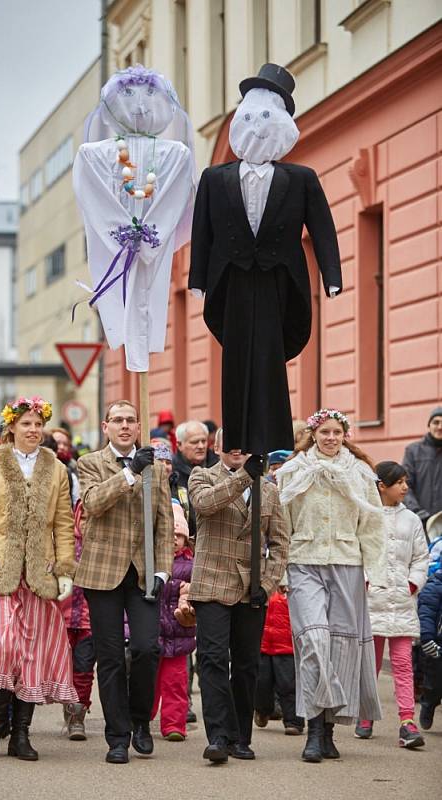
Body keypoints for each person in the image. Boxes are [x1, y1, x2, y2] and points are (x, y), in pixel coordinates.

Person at [189, 65, 342, 456]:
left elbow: (322, 228)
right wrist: (198, 279)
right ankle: (237, 439)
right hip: (233, 279)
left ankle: (275, 441)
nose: (257, 128)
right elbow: (201, 231)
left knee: (272, 356)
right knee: (236, 356)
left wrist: (331, 276)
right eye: (251, 119)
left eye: (266, 120)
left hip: (279, 278)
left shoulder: (302, 177)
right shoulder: (213, 177)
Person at [0, 395, 77, 762]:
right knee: (2, 646)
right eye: (26, 423)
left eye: (38, 424)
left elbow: (62, 523)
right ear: (11, 427)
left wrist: (63, 567)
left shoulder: (56, 468)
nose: (33, 430)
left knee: (30, 653)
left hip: (39, 574)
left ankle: (22, 735)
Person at [276, 408, 387, 763]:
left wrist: (375, 571)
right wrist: (278, 572)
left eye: (337, 432)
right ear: (314, 434)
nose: (331, 438)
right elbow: (281, 525)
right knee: (314, 641)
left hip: (347, 564)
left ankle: (328, 732)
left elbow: (372, 524)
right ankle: (312, 729)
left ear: (345, 435)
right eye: (324, 431)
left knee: (340, 650)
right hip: (304, 562)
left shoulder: (360, 474)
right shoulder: (293, 472)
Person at [74, 399, 174, 764]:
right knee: (111, 657)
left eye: (131, 420)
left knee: (148, 648)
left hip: (143, 571)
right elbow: (94, 503)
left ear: (138, 426)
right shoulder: (90, 463)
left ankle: (140, 720)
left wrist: (163, 569)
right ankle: (117, 737)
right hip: (103, 572)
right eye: (118, 420)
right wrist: (129, 472)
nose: (125, 426)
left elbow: (164, 525)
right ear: (106, 427)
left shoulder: (157, 470)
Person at [188, 427, 289, 763]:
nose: (235, 449)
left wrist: (268, 583)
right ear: (216, 448)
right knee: (213, 660)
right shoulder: (201, 476)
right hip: (212, 583)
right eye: (228, 443)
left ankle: (240, 737)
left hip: (252, 588)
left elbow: (280, 543)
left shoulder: (270, 490)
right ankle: (217, 736)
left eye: (242, 445)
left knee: (246, 666)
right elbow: (205, 505)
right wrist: (246, 476)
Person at [356, 461, 428, 748]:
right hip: (371, 601)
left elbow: (421, 558)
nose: (406, 487)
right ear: (382, 486)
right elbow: (357, 551)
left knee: (402, 664)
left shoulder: (411, 520)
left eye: (406, 482)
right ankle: (366, 714)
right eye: (399, 482)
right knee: (370, 665)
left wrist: (412, 583)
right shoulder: (366, 515)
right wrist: (365, 583)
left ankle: (407, 720)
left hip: (401, 601)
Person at [151, 501, 195, 741]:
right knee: (148, 681)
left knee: (176, 683)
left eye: (179, 536)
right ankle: (143, 715)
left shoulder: (191, 565)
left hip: (179, 635)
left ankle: (174, 725)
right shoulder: (151, 562)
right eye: (170, 534)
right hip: (154, 633)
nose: (174, 539)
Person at [60, 500, 95, 741]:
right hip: (62, 617)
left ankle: (77, 715)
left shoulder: (101, 547)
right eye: (83, 518)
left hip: (90, 620)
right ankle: (67, 704)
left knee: (83, 669)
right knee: (64, 669)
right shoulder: (64, 544)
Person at [254, 588, 304, 735]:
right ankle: (263, 710)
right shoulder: (265, 586)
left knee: (288, 684)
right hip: (262, 644)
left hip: (286, 646)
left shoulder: (293, 588)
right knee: (261, 682)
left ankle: (294, 721)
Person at [172, 420, 218, 537]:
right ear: (179, 445)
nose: (201, 446)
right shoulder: (171, 472)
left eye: (203, 441)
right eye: (194, 442)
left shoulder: (218, 466)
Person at [402, 406, 442, 528]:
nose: (440, 427)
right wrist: (418, 513)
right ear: (429, 425)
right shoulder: (413, 451)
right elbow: (405, 485)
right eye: (436, 422)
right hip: (419, 522)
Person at [417, 565, 442, 731]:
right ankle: (429, 702)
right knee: (435, 683)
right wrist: (427, 637)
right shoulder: (435, 585)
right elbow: (426, 613)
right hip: (438, 646)